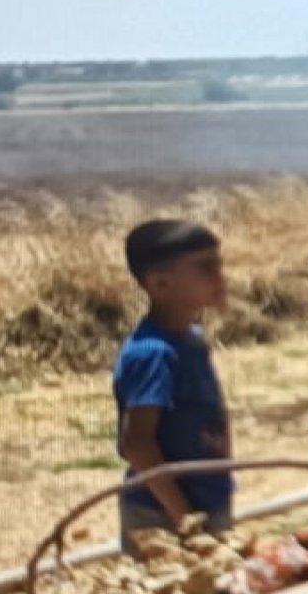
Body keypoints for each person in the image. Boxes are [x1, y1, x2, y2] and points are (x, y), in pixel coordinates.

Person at [113, 219, 233, 558]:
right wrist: (184, 517)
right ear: (160, 283)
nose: (221, 277)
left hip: (207, 500)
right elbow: (136, 444)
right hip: (162, 515)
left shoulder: (191, 339)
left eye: (219, 265)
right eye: (206, 268)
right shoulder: (153, 354)